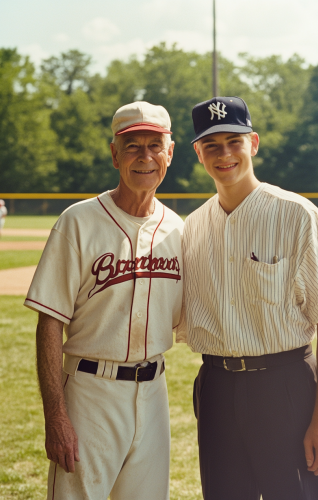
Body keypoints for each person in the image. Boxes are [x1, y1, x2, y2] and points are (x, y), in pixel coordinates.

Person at [176, 96, 318, 500]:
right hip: (217, 387)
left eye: (234, 141)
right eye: (212, 145)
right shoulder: (192, 228)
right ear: (198, 154)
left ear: (253, 143)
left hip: (286, 385)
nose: (224, 154)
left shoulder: (296, 214)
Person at [25, 101, 184, 500]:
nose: (144, 156)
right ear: (115, 154)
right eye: (132, 146)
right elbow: (49, 322)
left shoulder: (179, 231)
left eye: (154, 145)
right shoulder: (77, 222)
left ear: (170, 153)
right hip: (90, 392)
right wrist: (56, 416)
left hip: (154, 393)